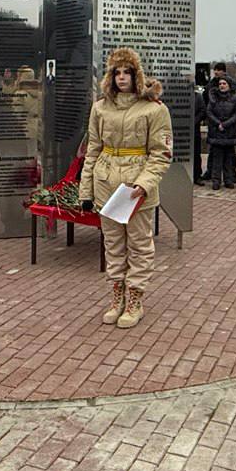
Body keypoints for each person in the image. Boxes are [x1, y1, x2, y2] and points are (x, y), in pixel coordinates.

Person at [79, 48, 172, 329]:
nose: (121, 78)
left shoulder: (154, 109)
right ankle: (116, 295)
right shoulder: (100, 107)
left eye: (127, 72)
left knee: (140, 246)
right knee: (113, 245)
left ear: (136, 75)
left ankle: (135, 299)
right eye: (117, 72)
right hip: (106, 183)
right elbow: (92, 150)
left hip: (135, 188)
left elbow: (161, 154)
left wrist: (144, 184)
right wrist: (86, 191)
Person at [205, 75, 236, 189]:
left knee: (229, 158)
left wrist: (226, 124)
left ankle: (228, 180)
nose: (222, 86)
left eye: (224, 84)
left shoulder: (235, 97)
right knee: (217, 158)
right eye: (220, 84)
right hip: (216, 131)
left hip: (230, 131)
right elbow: (209, 112)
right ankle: (216, 181)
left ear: (229, 85)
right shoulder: (213, 97)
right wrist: (218, 123)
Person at [192, 82, 207, 186]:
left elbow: (202, 111)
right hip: (180, 130)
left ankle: (197, 175)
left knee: (196, 153)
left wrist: (194, 121)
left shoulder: (198, 96)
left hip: (194, 129)